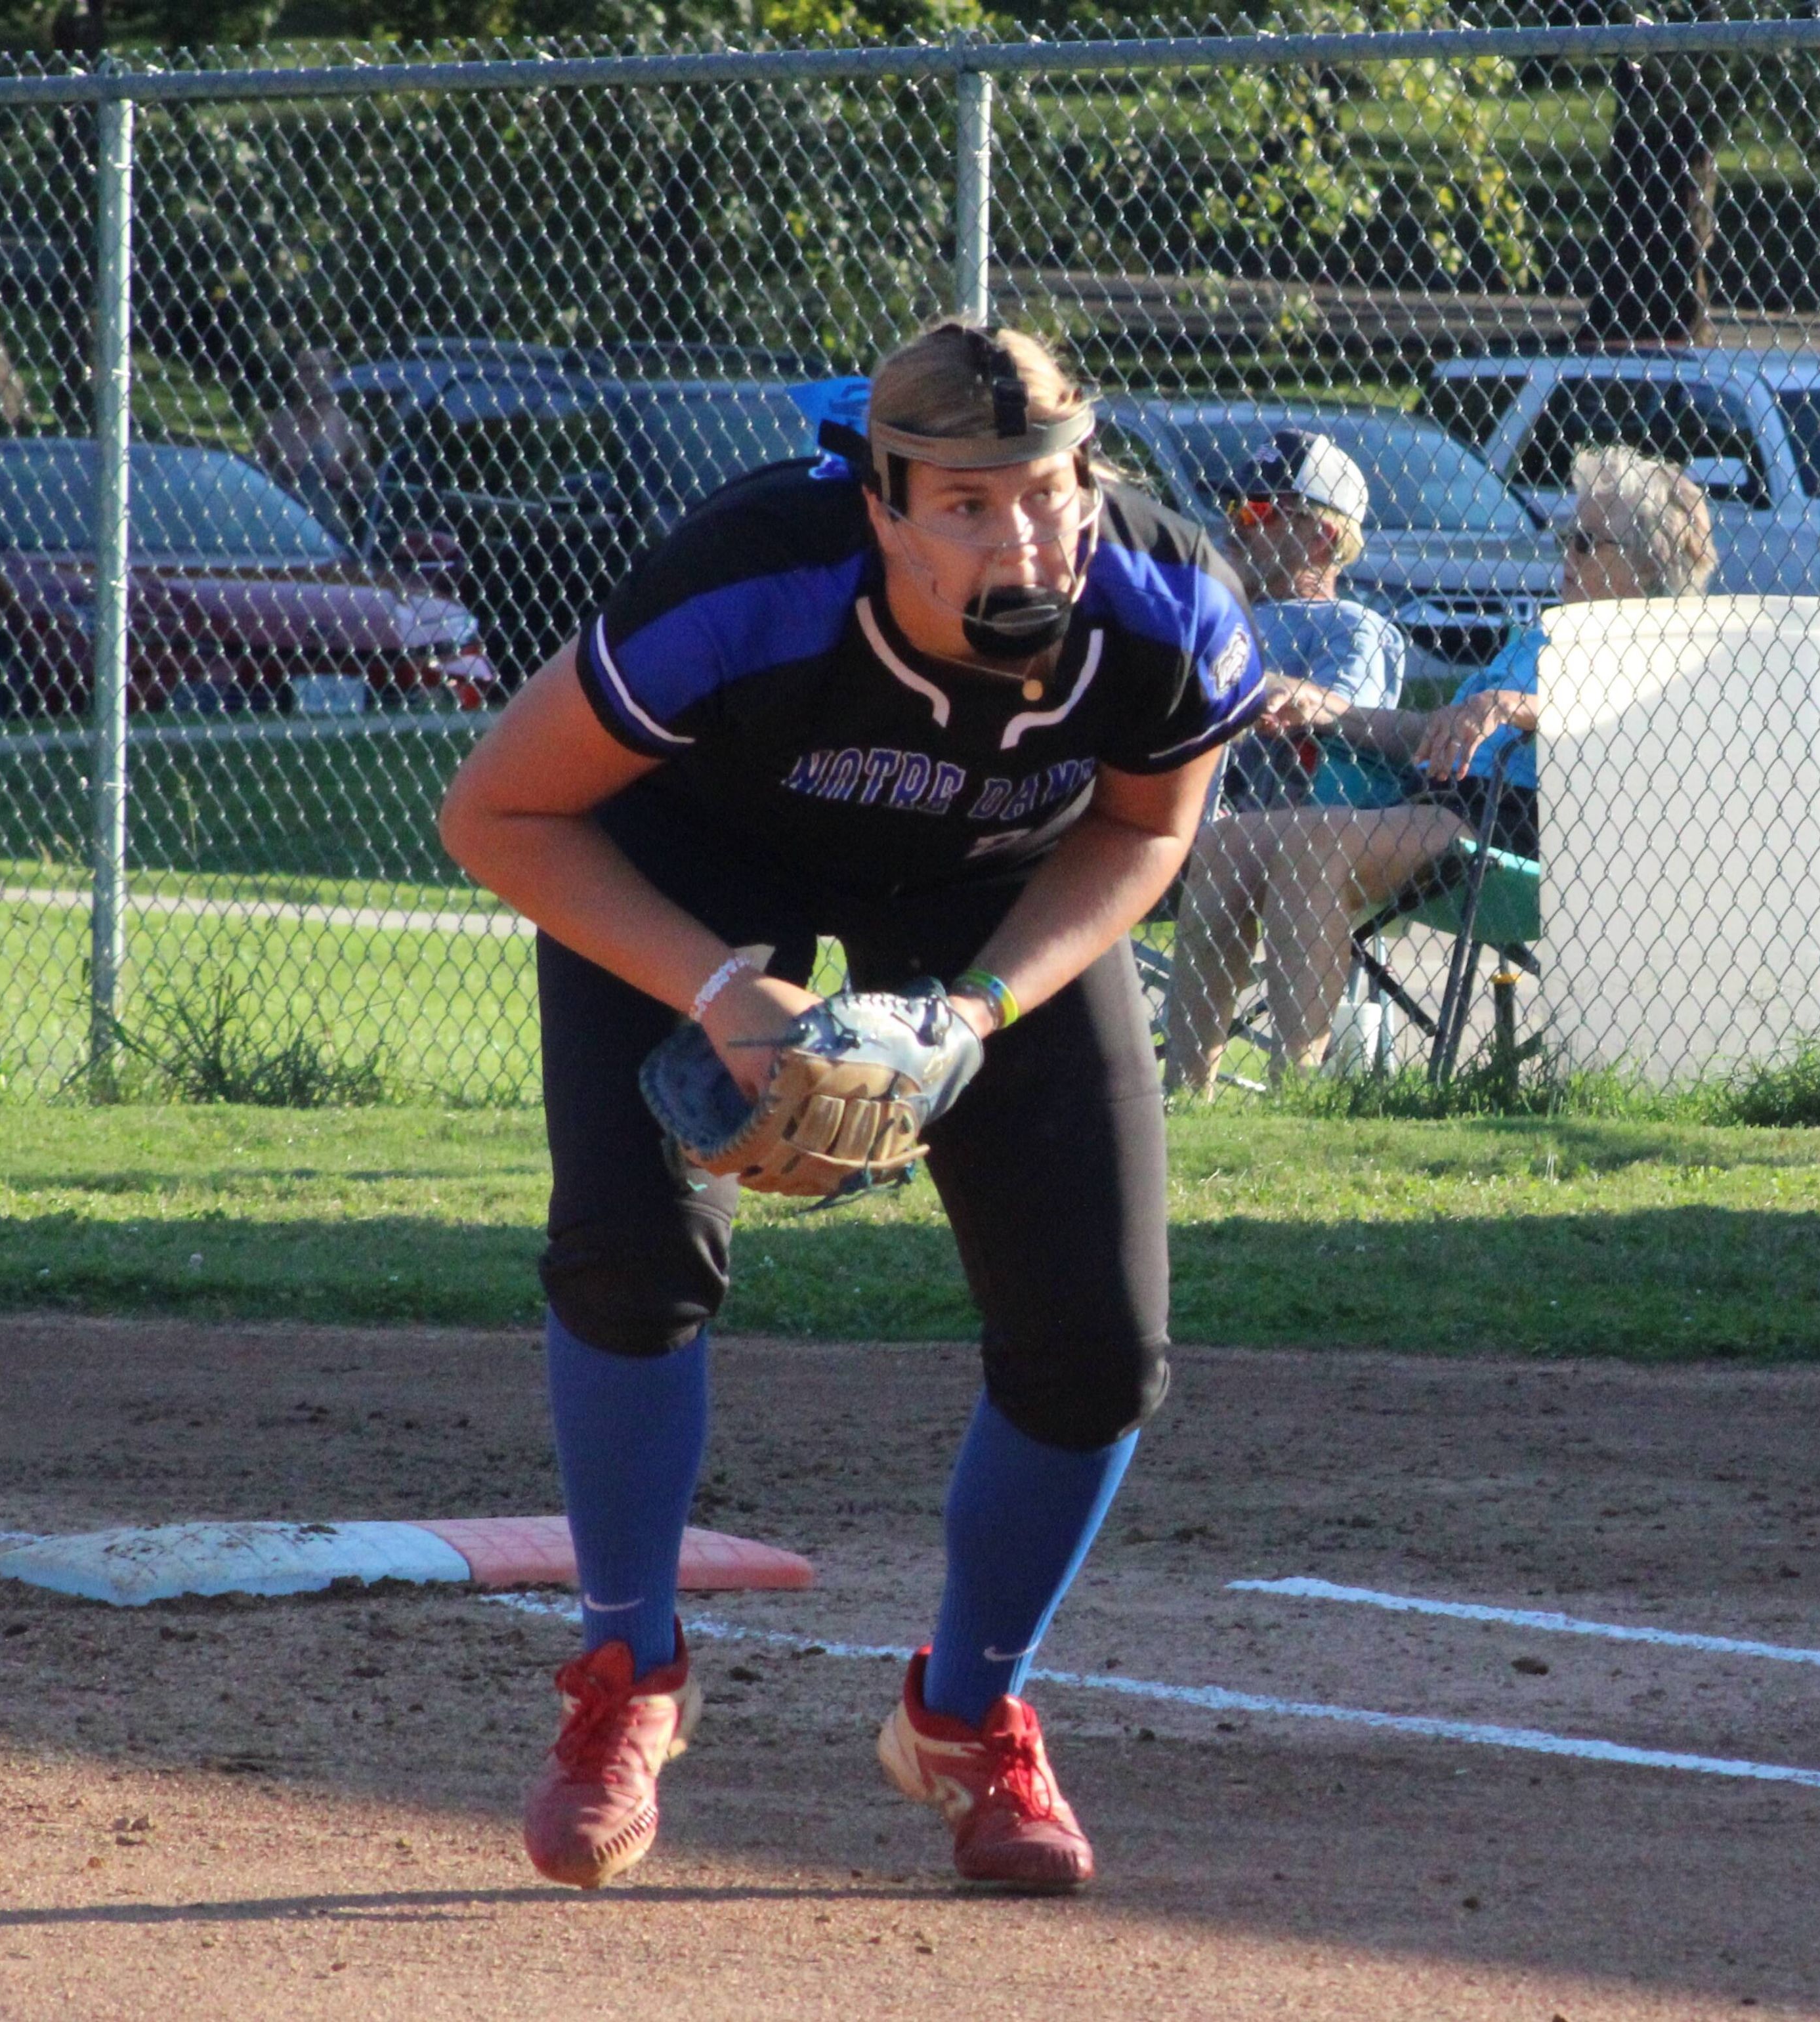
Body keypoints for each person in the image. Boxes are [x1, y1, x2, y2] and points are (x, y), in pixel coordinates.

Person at [438, 322, 1263, 1894]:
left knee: (1098, 1345)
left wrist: (978, 1010)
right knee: (632, 1252)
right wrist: (720, 995)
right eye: (961, 504)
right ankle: (626, 1682)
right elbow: (496, 806)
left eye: (1043, 491)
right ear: (877, 505)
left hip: (988, 896)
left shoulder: (1166, 604)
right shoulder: (749, 585)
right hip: (692, 865)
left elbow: (1147, 835)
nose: (1017, 533)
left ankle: (963, 1720)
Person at [1163, 444, 1714, 1097]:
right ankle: (1181, 1092)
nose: (1566, 551)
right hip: (1439, 804)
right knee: (1226, 843)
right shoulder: (1546, 632)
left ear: (1647, 561)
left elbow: (1622, 716)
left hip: (1527, 824)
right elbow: (1432, 733)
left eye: (1586, 540)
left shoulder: (1657, 640)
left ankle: (1296, 1093)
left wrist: (1515, 706)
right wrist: (1325, 707)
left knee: (1316, 849)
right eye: (1567, 534)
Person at [1212, 429, 1406, 811]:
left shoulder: (1349, 626)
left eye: (1258, 510)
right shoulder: (1213, 607)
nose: (1235, 524)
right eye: (1233, 506)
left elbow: (1344, 740)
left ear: (1319, 536)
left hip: (1244, 818)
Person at [255, 345, 377, 542]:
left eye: (322, 369)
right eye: (307, 370)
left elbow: (370, 489)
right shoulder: (276, 427)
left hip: (329, 532)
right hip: (282, 528)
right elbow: (251, 476)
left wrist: (342, 479)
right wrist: (281, 474)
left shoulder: (348, 430)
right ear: (295, 376)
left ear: (332, 373)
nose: (315, 377)